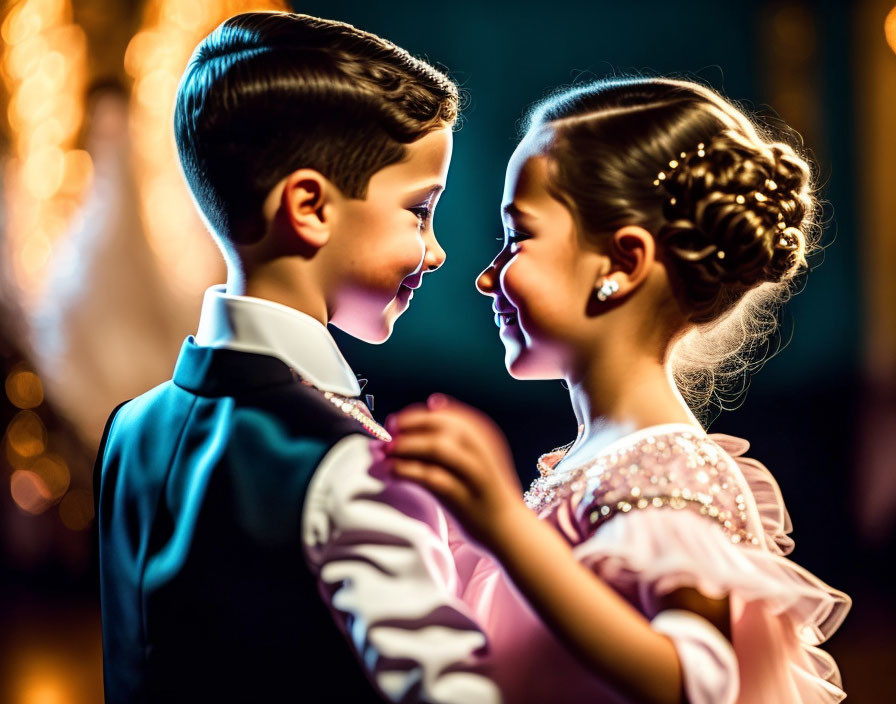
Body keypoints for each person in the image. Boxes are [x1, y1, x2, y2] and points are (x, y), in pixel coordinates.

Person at [385, 77, 851, 703]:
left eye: (518, 236)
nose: (486, 276)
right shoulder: (594, 464)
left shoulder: (669, 471)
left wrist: (502, 525)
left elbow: (696, 683)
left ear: (624, 263)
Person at [94, 11, 502, 703]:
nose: (434, 252)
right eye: (419, 211)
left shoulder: (125, 430)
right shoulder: (345, 466)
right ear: (309, 205)